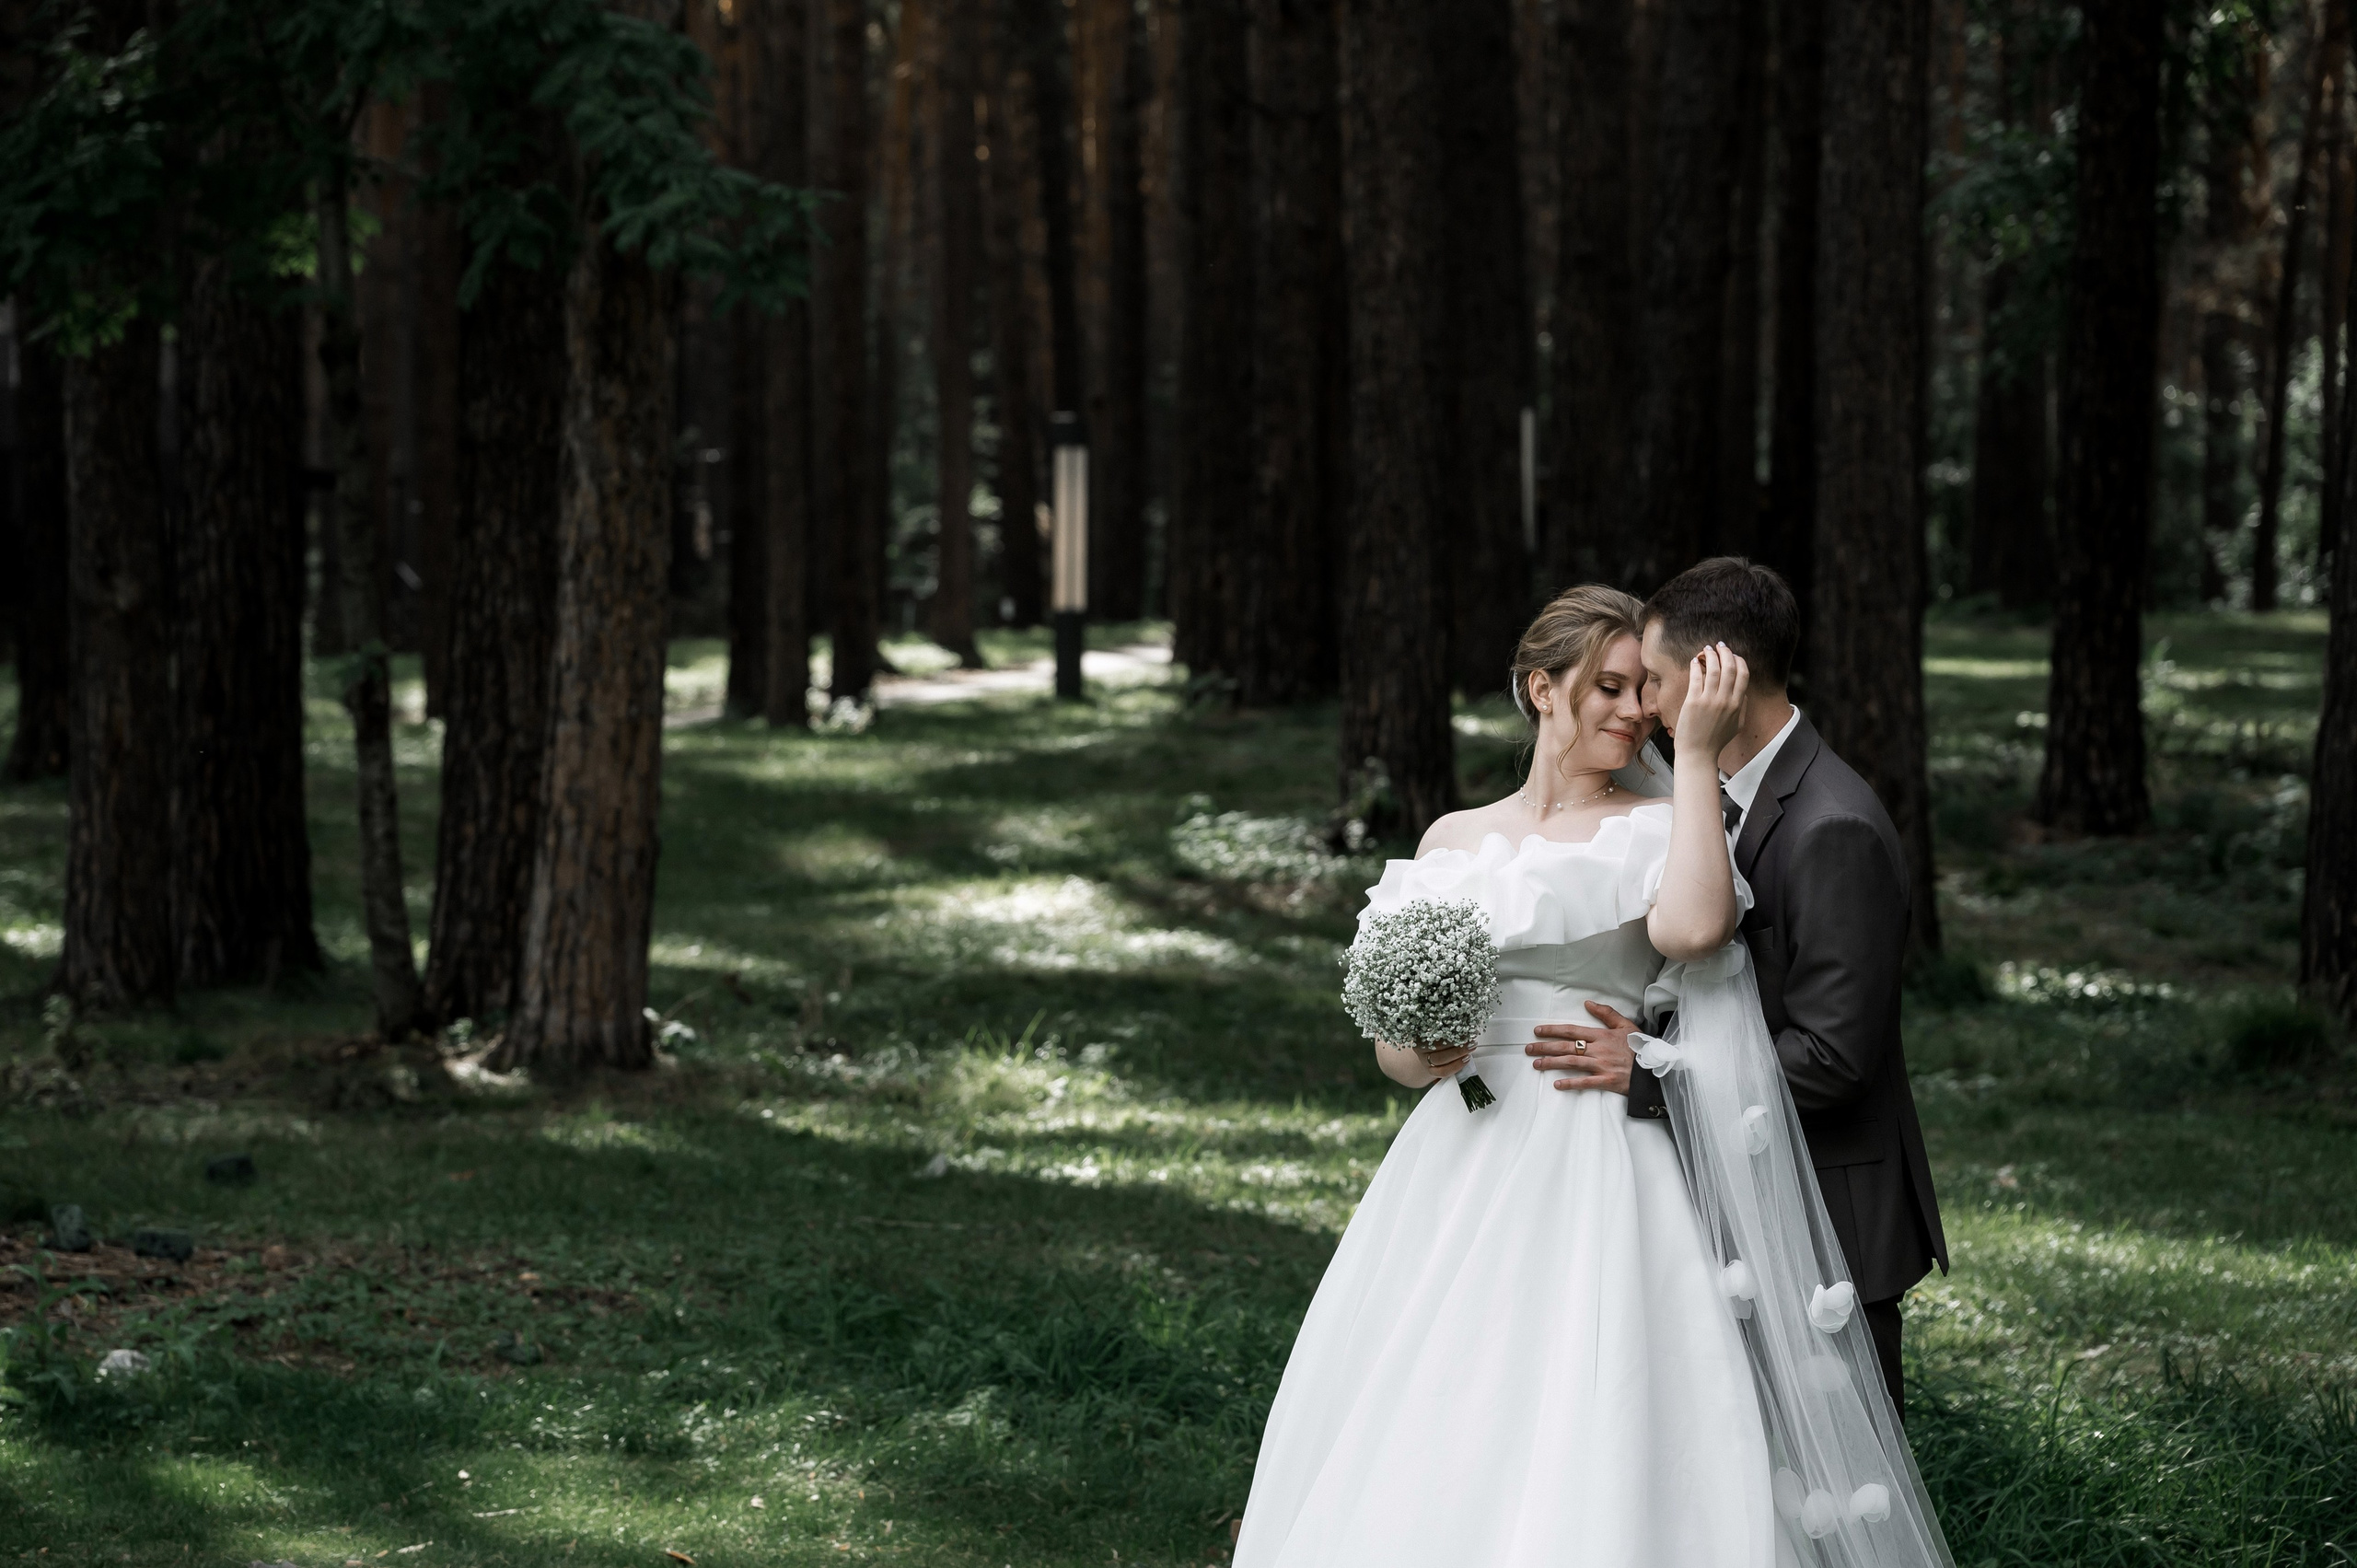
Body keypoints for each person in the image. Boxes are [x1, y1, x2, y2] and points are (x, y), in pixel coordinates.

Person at [1233, 587, 1777, 1566]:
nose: (1634, 711)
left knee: (1588, 1379)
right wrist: (1424, 1048)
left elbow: (1696, 929)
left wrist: (1696, 759)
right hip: (1463, 1145)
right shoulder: (1453, 838)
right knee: (1442, 1381)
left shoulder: (1660, 821)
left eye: (1642, 691)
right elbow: (1394, 1052)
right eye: (1607, 687)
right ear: (1541, 688)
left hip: (1598, 1141)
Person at [1527, 556, 1947, 1417]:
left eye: (1655, 679)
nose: (1646, 705)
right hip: (1752, 1191)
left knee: (1845, 1470)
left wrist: (1654, 1071)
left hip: (1830, 1213)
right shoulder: (1724, 794)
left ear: (1719, 672)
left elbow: (1833, 1059)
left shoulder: (1831, 824)